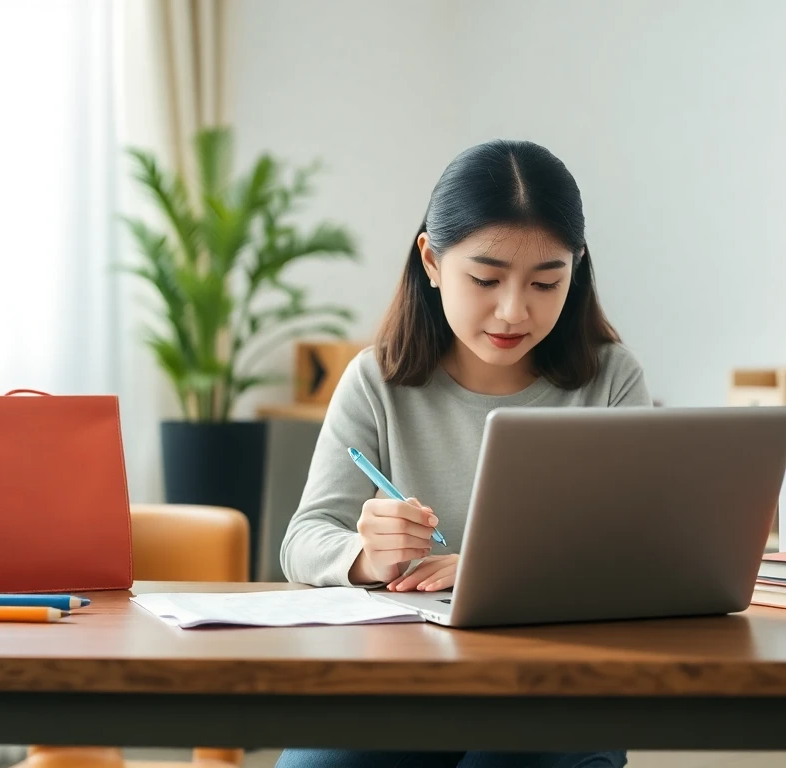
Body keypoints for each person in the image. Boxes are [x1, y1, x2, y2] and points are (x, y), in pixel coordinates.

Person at [275, 139, 649, 768]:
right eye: (484, 278)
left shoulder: (610, 380)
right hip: (401, 686)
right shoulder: (378, 381)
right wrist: (366, 555)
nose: (513, 310)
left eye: (546, 282)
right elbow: (304, 539)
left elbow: (645, 553)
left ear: (576, 270)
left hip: (557, 689)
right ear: (431, 260)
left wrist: (487, 570)